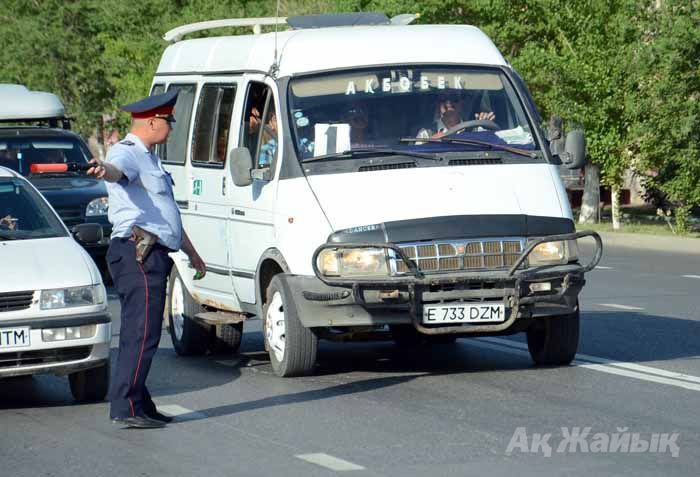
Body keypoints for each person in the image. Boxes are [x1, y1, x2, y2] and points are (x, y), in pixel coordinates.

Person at [86, 89, 206, 430]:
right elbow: (114, 170)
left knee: (142, 332)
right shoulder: (127, 153)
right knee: (142, 333)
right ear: (153, 122)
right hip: (138, 253)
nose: (170, 127)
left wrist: (192, 253)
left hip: (153, 252)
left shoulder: (151, 158)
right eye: (168, 121)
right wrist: (102, 169)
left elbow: (163, 214)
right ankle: (126, 406)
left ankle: (139, 401)